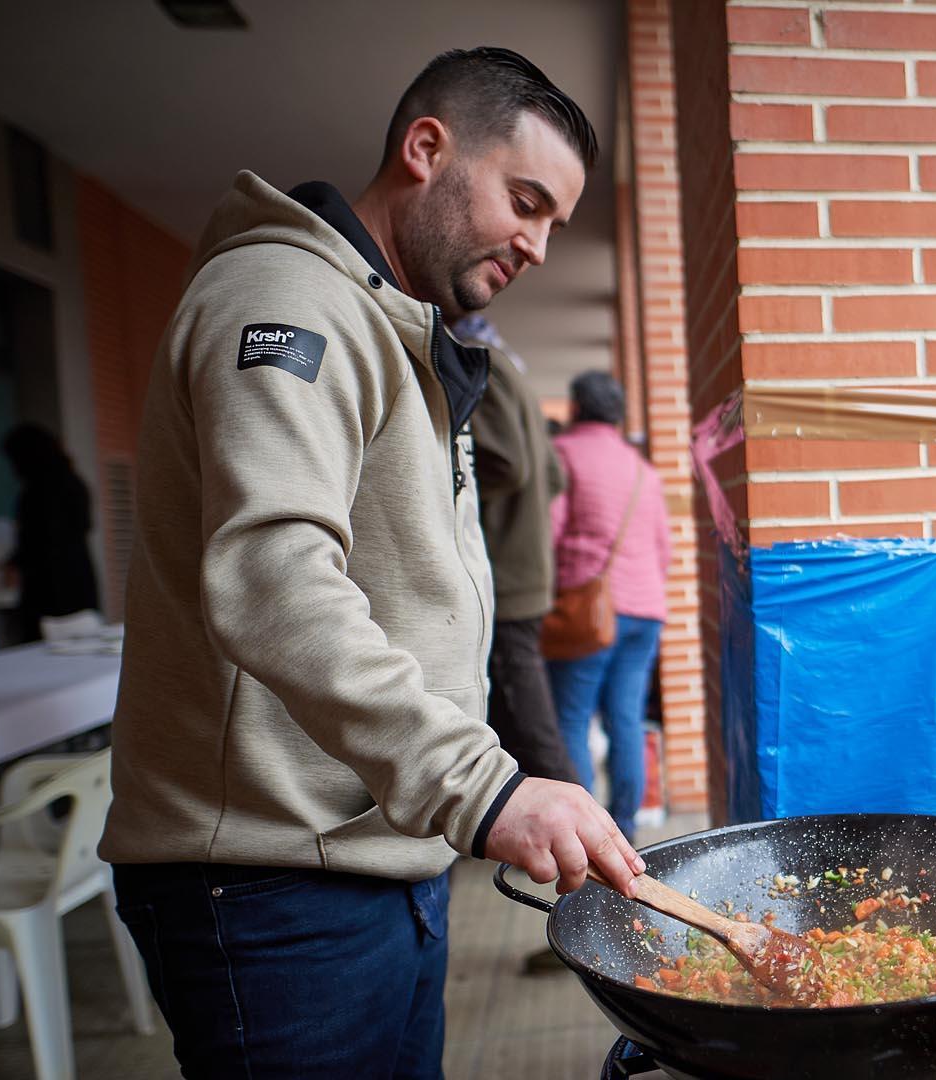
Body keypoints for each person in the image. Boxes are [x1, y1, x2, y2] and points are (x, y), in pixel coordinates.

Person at [98, 48, 643, 1078]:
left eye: (553, 222)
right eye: (524, 200)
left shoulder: (395, 330)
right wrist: (483, 788)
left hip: (376, 853)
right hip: (268, 883)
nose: (534, 243)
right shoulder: (289, 301)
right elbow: (274, 577)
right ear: (426, 149)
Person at [547, 370, 670, 843]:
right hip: (645, 612)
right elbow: (664, 549)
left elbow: (550, 536)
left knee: (573, 718)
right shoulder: (643, 470)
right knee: (627, 718)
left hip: (588, 610)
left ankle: (586, 837)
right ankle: (626, 829)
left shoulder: (564, 454)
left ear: (576, 408)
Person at [455, 313, 576, 785]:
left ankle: (601, 854)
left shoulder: (479, 362)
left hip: (507, 577)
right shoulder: (513, 371)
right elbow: (553, 476)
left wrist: (444, 471)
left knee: (536, 739)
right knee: (513, 730)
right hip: (524, 572)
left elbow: (511, 465)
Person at [0, 424, 99, 639]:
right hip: (78, 580)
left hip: (48, 589)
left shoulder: (37, 491)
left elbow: (37, 539)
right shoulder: (74, 483)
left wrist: (16, 562)